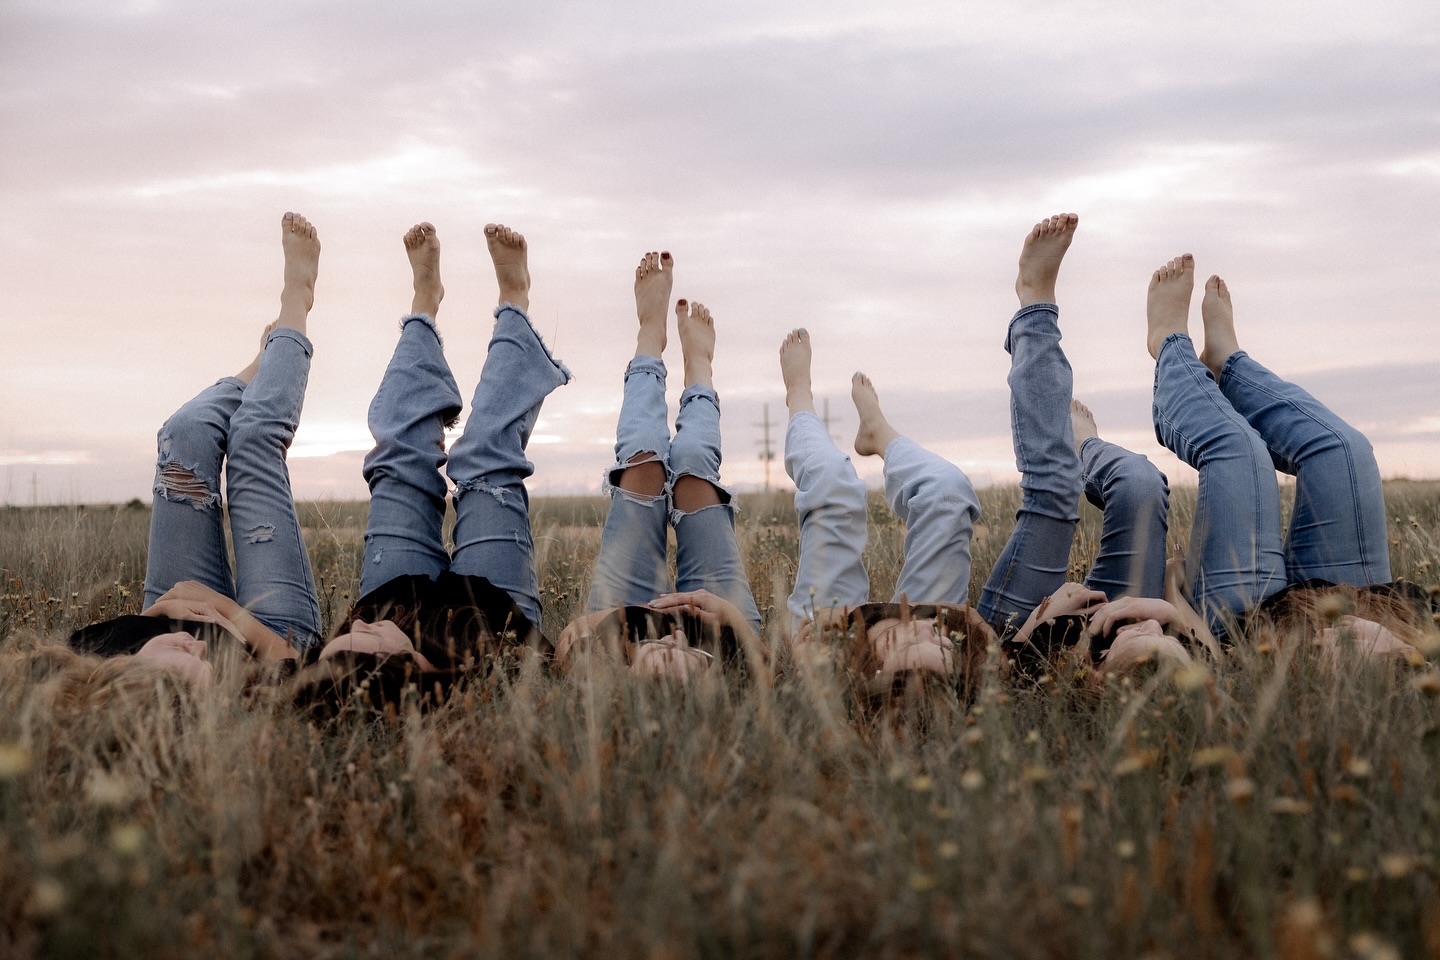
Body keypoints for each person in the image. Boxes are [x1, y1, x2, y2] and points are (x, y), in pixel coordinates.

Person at [780, 214, 1183, 690]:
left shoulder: (846, 671)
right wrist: (1168, 600)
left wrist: (1038, 625)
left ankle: (814, 405)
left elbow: (983, 642)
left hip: (963, 642)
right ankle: (1064, 409)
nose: (925, 629)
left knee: (940, 492)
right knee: (1138, 482)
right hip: (1041, 636)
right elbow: (981, 643)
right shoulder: (1163, 660)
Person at [300, 221, 571, 705]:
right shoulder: (498, 676)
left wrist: (364, 637)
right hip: (494, 606)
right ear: (415, 669)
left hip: (389, 598)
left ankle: (423, 304)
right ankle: (515, 302)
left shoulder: (334, 673)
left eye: (342, 647)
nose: (350, 638)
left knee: (399, 456)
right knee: (487, 458)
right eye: (360, 649)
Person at [66, 212, 324, 688]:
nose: (199, 651)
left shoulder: (82, 668)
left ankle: (256, 369)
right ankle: (296, 302)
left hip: (171, 609)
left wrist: (163, 609)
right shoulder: (227, 698)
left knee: (183, 433)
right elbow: (289, 661)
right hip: (268, 636)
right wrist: (222, 614)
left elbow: (138, 627)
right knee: (252, 439)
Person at [1138, 254, 1424, 657]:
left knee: (1241, 451)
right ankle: (1228, 367)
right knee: (1346, 450)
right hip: (1375, 611)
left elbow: (1211, 661)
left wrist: (1175, 597)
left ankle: (1168, 346)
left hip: (1254, 633)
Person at [555, 251, 764, 681]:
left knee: (645, 460)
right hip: (723, 630)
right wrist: (729, 618)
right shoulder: (730, 692)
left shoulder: (608, 684)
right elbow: (766, 668)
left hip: (624, 626)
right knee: (691, 469)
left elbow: (565, 648)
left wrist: (605, 621)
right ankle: (700, 370)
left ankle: (650, 338)